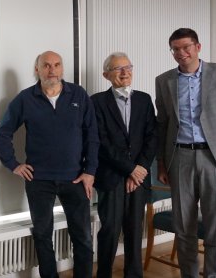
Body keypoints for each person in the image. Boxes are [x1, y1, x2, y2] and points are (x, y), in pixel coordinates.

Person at [0, 51, 99, 278]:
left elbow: (92, 135)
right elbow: (3, 133)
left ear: (62, 69)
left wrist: (90, 171)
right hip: (39, 180)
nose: (52, 70)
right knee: (42, 235)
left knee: (82, 236)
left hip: (75, 178)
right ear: (37, 70)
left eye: (57, 65)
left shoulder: (79, 95)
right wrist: (14, 164)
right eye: (46, 65)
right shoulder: (25, 98)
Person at [155, 28, 216, 278]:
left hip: (215, 160)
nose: (181, 53)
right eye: (175, 49)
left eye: (186, 47)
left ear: (198, 47)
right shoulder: (164, 81)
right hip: (180, 160)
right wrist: (162, 164)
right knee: (184, 227)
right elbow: (162, 125)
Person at [91, 52, 157, 278]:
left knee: (134, 230)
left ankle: (134, 274)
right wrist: (129, 169)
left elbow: (152, 137)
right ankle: (104, 274)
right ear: (106, 75)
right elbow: (100, 141)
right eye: (118, 69)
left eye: (128, 67)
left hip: (138, 177)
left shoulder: (144, 99)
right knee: (109, 230)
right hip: (111, 177)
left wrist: (139, 170)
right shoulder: (96, 102)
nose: (125, 72)